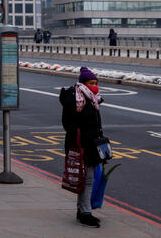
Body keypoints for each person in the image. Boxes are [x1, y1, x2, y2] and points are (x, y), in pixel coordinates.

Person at [60, 67, 105, 228]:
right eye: (91, 83)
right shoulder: (76, 98)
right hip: (81, 145)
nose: (94, 86)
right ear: (83, 83)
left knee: (87, 179)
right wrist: (82, 140)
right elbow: (69, 124)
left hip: (92, 144)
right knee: (87, 180)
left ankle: (82, 210)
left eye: (95, 83)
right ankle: (85, 213)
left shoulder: (92, 98)